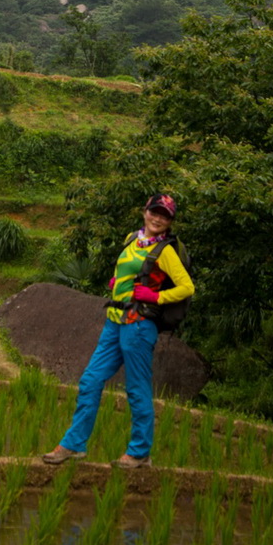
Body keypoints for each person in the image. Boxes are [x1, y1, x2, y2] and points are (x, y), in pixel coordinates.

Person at [42, 194, 194, 468]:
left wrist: (155, 297)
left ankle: (139, 452)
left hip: (138, 324)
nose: (158, 218)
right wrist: (118, 281)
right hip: (115, 321)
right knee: (90, 380)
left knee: (136, 388)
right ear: (145, 211)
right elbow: (129, 270)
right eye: (155, 212)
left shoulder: (166, 251)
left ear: (170, 221)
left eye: (165, 215)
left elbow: (187, 287)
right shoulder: (131, 239)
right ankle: (74, 445)